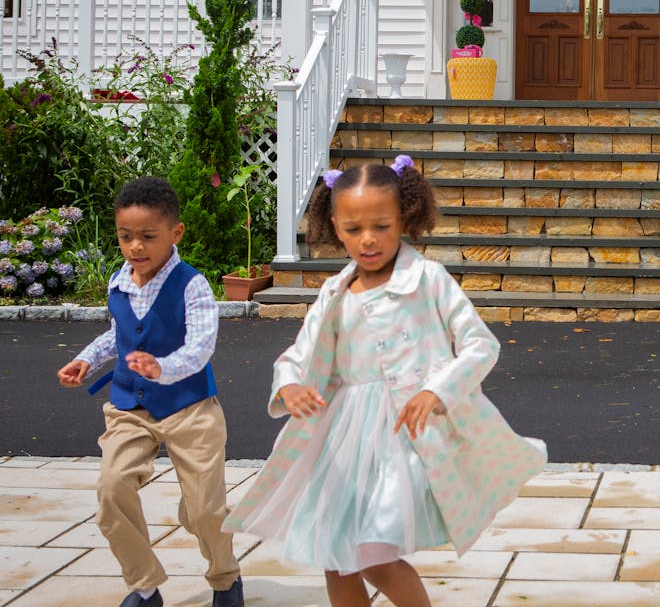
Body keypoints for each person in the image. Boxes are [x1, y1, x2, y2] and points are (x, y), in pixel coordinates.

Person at [225, 156, 546, 607]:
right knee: (335, 556)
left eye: (381, 225)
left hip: (400, 438)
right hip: (341, 439)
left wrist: (438, 389)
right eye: (354, 229)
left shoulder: (428, 281)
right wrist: (290, 385)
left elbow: (480, 345)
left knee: (374, 555)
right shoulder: (334, 292)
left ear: (404, 219)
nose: (368, 239)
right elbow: (298, 354)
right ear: (335, 226)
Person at [56, 176, 245, 607]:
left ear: (175, 233)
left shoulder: (192, 285)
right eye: (125, 237)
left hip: (190, 406)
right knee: (111, 490)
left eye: (147, 237)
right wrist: (87, 359)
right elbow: (116, 335)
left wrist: (162, 368)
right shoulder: (118, 282)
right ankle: (144, 587)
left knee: (205, 512)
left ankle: (225, 578)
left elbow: (199, 350)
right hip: (129, 407)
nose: (135, 247)